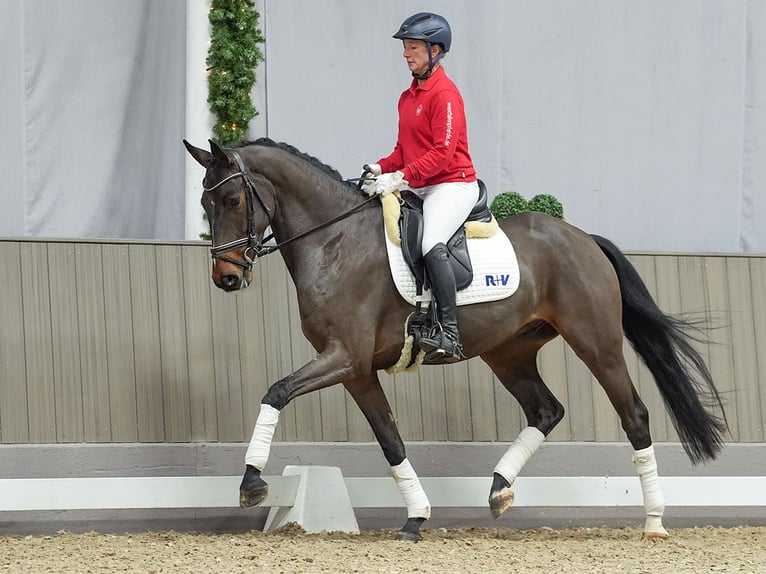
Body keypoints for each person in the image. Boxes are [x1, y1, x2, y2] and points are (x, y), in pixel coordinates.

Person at [365, 12, 479, 363]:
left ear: (436, 51)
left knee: (431, 242)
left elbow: (442, 155)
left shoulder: (444, 95)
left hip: (452, 185)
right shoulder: (408, 96)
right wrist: (379, 167)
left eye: (413, 47)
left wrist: (399, 178)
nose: (406, 54)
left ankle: (449, 332)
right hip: (422, 185)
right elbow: (404, 151)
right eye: (405, 47)